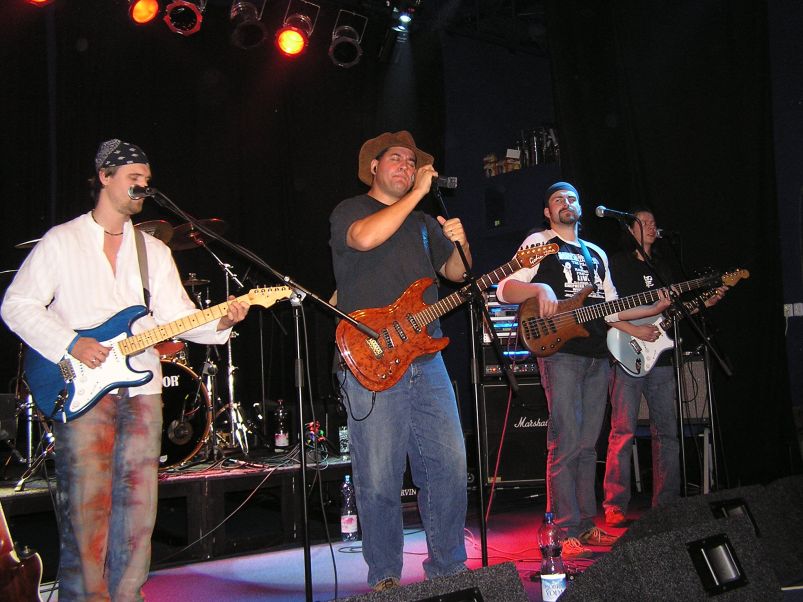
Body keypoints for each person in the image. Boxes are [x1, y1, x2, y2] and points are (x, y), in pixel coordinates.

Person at [1, 139, 250, 601]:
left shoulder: (153, 250)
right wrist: (71, 342)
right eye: (133, 176)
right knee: (87, 510)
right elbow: (17, 305)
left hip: (143, 390)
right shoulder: (62, 240)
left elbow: (178, 316)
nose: (142, 185)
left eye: (147, 179)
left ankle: (129, 595)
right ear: (104, 177)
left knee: (139, 511)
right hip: (83, 388)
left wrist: (221, 320)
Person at [495, 182, 669, 558]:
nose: (566, 203)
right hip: (560, 352)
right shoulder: (539, 242)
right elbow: (504, 289)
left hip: (597, 354)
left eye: (572, 198)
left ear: (580, 207)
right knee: (566, 442)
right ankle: (563, 529)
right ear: (547, 212)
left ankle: (586, 524)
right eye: (558, 199)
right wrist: (539, 289)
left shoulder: (596, 253)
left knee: (588, 445)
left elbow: (613, 307)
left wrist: (651, 311)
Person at [329, 131, 470, 591]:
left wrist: (460, 242)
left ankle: (448, 569)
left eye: (412, 163)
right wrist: (415, 196)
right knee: (379, 474)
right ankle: (386, 577)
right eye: (397, 159)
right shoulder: (351, 210)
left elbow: (457, 273)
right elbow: (365, 238)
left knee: (449, 464)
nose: (406, 168)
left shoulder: (425, 223)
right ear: (374, 166)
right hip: (371, 358)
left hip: (426, 358)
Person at [602, 208, 726, 527]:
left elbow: (673, 312)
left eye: (653, 222)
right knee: (622, 431)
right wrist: (637, 331)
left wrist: (704, 302)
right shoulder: (617, 264)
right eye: (643, 222)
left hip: (662, 358)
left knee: (667, 433)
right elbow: (608, 311)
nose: (651, 226)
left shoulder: (664, 267)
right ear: (629, 230)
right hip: (626, 351)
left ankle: (666, 504)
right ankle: (614, 505)